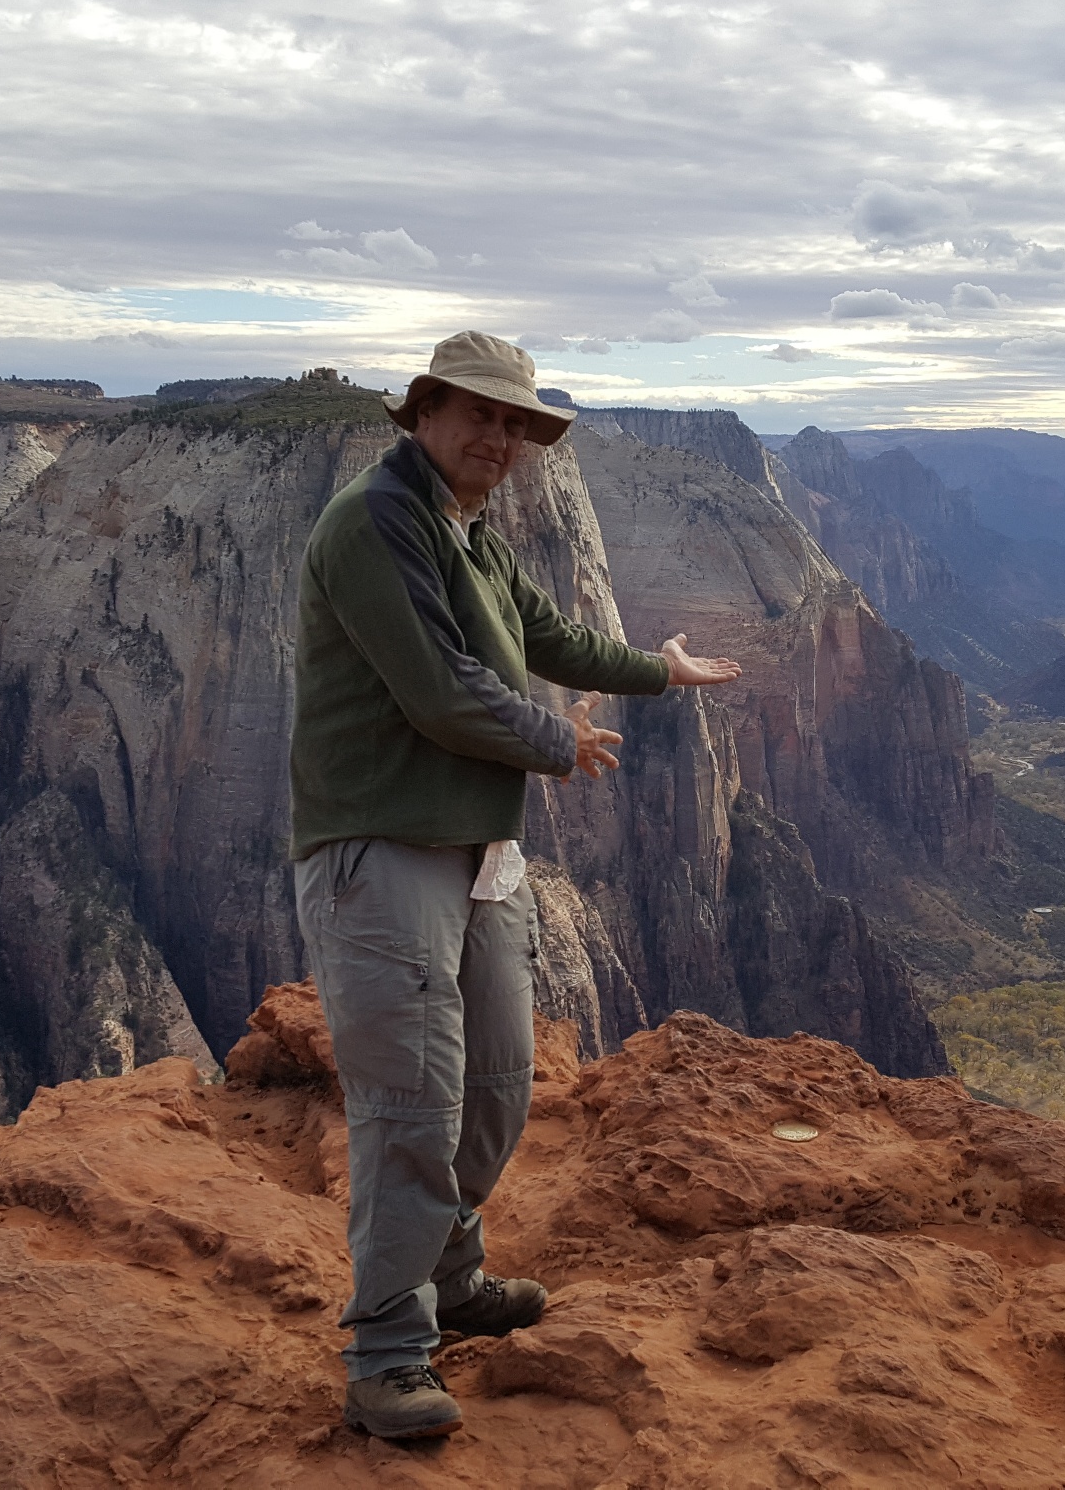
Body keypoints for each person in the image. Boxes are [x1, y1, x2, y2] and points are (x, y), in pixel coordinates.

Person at [288, 330, 742, 1439]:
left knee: (496, 1086)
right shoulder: (374, 523)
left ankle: (452, 1275)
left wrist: (656, 672)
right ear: (426, 409)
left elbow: (542, 631)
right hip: (381, 847)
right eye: (479, 415)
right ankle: (388, 1351)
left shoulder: (469, 534)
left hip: (477, 853)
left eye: (517, 425)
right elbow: (440, 694)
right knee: (410, 1106)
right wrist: (557, 742)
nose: (499, 439)